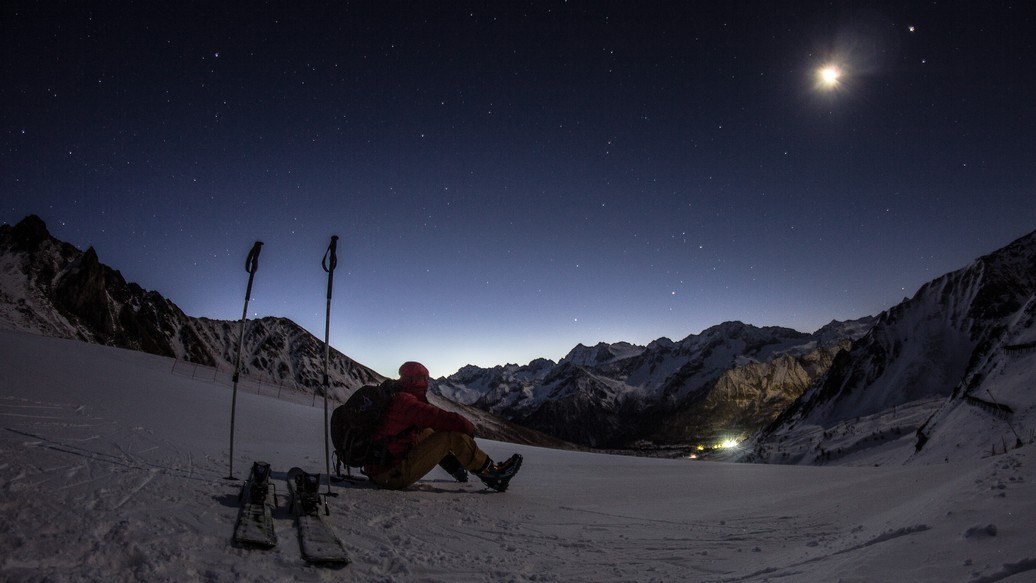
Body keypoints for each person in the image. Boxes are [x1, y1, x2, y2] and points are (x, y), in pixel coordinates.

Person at [364, 361, 522, 492]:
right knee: (448, 436)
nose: (426, 382)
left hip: (380, 469)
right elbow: (438, 417)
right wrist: (466, 427)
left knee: (428, 432)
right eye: (424, 378)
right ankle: (492, 474)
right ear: (414, 380)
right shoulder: (406, 402)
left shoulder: (395, 395)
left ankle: (457, 469)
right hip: (391, 475)